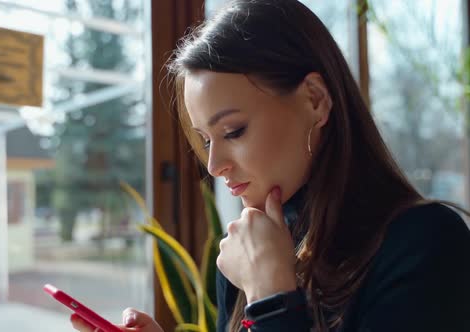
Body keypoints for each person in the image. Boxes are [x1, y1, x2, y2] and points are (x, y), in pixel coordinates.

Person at [71, 0, 470, 331]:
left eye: (234, 130)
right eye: (206, 140)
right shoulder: (245, 252)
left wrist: (273, 298)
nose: (214, 165)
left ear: (314, 99)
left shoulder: (428, 244)